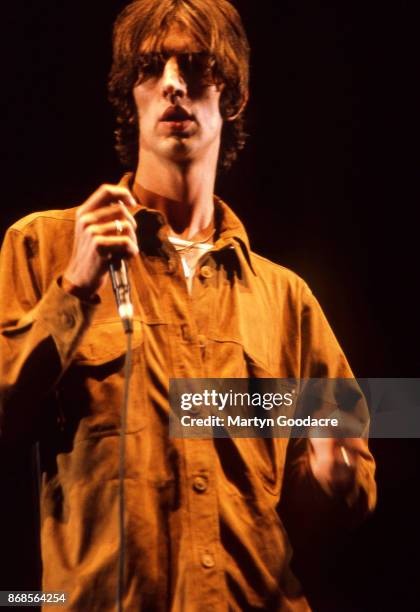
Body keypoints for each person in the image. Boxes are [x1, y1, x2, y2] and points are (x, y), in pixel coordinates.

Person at [0, 0, 376, 610]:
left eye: (197, 65)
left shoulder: (286, 299)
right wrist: (73, 287)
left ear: (234, 96)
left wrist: (332, 474)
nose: (175, 83)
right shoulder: (43, 246)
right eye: (153, 67)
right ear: (131, 95)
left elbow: (349, 489)